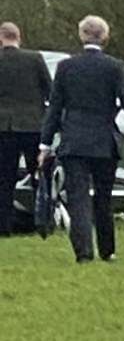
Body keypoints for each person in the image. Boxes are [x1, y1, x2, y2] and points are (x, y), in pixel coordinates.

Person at [38, 15, 124, 263]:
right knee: (103, 198)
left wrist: (44, 144)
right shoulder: (114, 67)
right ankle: (108, 250)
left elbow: (54, 109)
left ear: (82, 36)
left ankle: (83, 253)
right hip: (104, 142)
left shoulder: (66, 67)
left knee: (78, 198)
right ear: (104, 37)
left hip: (74, 142)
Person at [0, 22, 52, 236]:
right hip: (33, 126)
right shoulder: (35, 59)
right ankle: (44, 222)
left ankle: (4, 227)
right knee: (39, 176)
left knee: (5, 179)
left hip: (4, 127)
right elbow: (50, 91)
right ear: (18, 37)